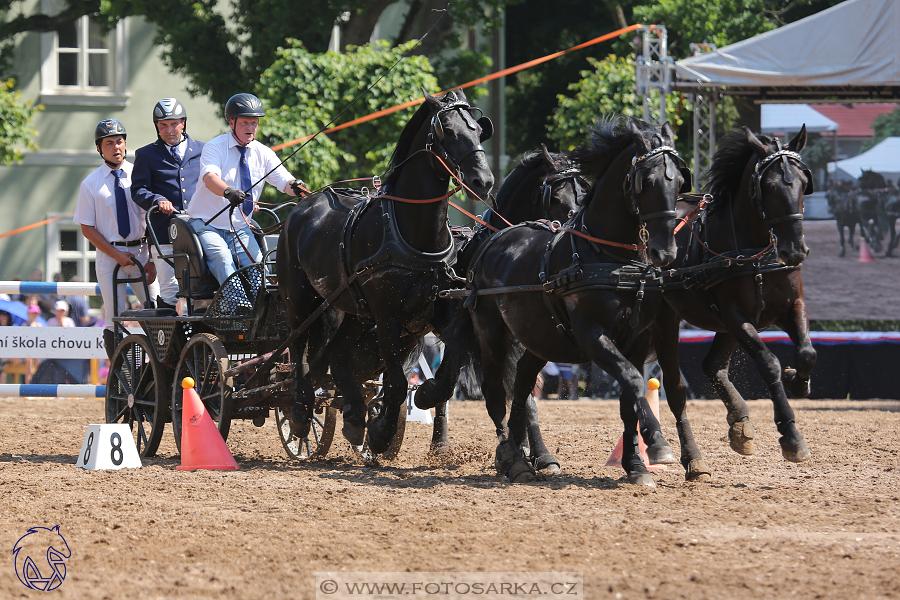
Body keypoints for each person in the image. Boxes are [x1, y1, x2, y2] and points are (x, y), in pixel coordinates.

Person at [186, 93, 305, 309]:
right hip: (206, 224)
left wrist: (297, 187)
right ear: (231, 122)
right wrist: (228, 191)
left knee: (259, 264)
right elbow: (210, 178)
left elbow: (284, 181)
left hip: (240, 228)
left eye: (254, 123)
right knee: (222, 258)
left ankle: (265, 309)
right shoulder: (215, 147)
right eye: (245, 122)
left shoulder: (263, 152)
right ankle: (240, 309)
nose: (250, 127)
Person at [73, 118, 159, 359]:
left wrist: (153, 258)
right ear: (99, 148)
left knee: (159, 312)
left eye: (119, 141)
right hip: (111, 256)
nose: (116, 147)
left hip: (142, 252)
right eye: (109, 143)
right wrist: (117, 255)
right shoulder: (91, 184)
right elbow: (87, 228)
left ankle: (162, 370)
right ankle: (120, 378)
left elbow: (152, 219)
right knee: (114, 318)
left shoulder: (140, 174)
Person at [131, 98, 205, 310]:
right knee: (171, 291)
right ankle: (170, 341)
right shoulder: (145, 154)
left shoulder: (203, 150)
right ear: (156, 127)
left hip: (198, 230)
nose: (169, 130)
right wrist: (157, 199)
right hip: (163, 232)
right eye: (163, 125)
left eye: (174, 124)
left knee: (201, 287)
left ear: (183, 123)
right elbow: (137, 190)